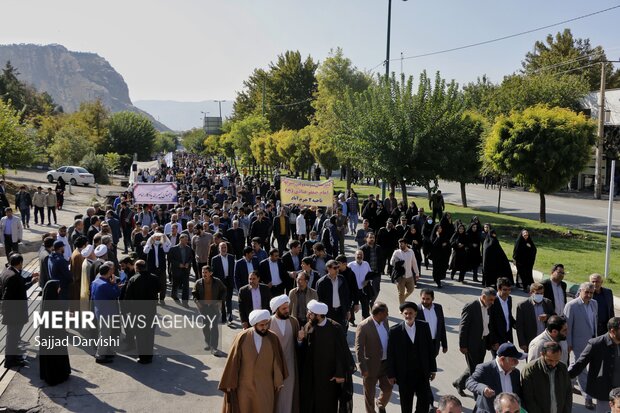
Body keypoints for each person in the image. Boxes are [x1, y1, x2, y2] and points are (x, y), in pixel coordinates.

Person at [219, 309, 288, 413]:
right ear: (254, 324)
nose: (264, 327)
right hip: (245, 386)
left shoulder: (273, 338)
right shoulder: (242, 337)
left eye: (266, 324)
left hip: (265, 387)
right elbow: (233, 362)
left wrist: (278, 381)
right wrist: (230, 382)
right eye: (261, 325)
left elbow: (277, 362)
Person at [300, 299, 355, 413]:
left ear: (319, 315)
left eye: (310, 313)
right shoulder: (309, 326)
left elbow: (342, 353)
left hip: (329, 377)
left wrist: (340, 373)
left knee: (328, 405)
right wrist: (300, 340)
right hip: (312, 376)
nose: (308, 315)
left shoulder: (335, 328)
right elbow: (303, 351)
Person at [387, 301, 437, 413]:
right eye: (406, 313)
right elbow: (391, 354)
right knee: (406, 403)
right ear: (402, 314)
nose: (408, 316)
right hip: (404, 375)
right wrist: (391, 374)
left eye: (411, 313)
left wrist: (433, 369)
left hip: (422, 372)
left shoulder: (424, 326)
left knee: (424, 401)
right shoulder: (395, 331)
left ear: (415, 313)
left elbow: (430, 349)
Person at [569, 317, 620, 413]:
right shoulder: (596, 344)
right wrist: (564, 377)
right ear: (613, 331)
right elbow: (580, 364)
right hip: (605, 392)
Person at [453, 287, 498, 396]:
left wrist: (492, 341)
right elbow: (463, 326)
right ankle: (477, 394)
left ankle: (459, 382)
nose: (492, 302)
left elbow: (488, 325)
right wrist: (463, 345)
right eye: (490, 300)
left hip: (482, 342)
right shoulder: (471, 306)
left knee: (476, 366)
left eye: (493, 300)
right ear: (483, 297)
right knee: (476, 370)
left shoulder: (488, 307)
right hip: (471, 344)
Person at [0, 254, 38, 368]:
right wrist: (32, 282)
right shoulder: (14, 277)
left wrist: (30, 276)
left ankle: (14, 356)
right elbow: (18, 288)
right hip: (14, 312)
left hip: (10, 311)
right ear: (20, 263)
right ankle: (10, 360)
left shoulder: (7, 271)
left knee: (14, 336)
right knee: (13, 336)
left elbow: (18, 283)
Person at [355, 301, 393, 413]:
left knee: (388, 388)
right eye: (386, 312)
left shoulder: (385, 321)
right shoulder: (364, 326)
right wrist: (363, 368)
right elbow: (359, 349)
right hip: (370, 366)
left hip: (385, 364)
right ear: (380, 314)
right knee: (369, 395)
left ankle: (380, 402)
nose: (388, 314)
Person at [565, 281, 598, 409]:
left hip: (591, 342)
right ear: (580, 291)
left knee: (575, 367)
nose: (589, 295)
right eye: (587, 292)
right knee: (582, 370)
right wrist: (569, 343)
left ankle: (566, 384)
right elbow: (568, 327)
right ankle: (588, 397)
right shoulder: (571, 306)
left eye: (591, 293)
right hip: (577, 343)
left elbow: (594, 323)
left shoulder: (595, 304)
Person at [465, 343, 523, 413]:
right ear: (502, 359)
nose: (517, 363)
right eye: (514, 360)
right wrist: (483, 389)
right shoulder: (485, 369)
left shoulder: (515, 373)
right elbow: (469, 382)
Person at [269, 295, 301, 413]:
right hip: (272, 367)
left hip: (290, 366)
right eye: (283, 309)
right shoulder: (268, 322)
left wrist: (300, 340)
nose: (287, 310)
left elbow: (299, 345)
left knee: (288, 396)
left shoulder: (293, 322)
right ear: (276, 309)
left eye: (287, 308)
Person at [123, 260, 160, 364]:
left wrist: (126, 311)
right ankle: (149, 355)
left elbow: (127, 296)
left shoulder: (133, 279)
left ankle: (143, 357)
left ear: (137, 268)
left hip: (138, 311)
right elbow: (159, 289)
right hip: (151, 310)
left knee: (140, 334)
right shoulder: (154, 277)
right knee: (150, 333)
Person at [521, 341, 572, 413]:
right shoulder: (530, 370)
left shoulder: (562, 368)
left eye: (557, 360)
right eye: (550, 360)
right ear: (542, 354)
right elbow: (528, 399)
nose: (554, 364)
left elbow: (568, 393)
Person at [38, 279, 71, 385]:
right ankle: (58, 375)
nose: (59, 289)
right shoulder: (55, 304)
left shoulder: (45, 304)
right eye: (58, 287)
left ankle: (49, 375)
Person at [192, 265, 226, 356]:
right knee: (205, 326)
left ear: (211, 273)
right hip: (204, 308)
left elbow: (224, 291)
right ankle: (208, 342)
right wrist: (197, 302)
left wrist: (220, 301)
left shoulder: (217, 282)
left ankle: (214, 347)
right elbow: (194, 294)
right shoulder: (198, 283)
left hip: (214, 307)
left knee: (214, 326)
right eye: (203, 272)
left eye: (206, 272)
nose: (204, 274)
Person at [90, 262, 121, 363]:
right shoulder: (105, 285)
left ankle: (105, 351)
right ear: (108, 272)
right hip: (107, 313)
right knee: (104, 335)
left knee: (104, 333)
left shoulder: (95, 282)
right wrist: (114, 285)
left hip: (100, 311)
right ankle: (100, 355)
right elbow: (115, 294)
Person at [516, 282, 555, 353]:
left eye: (542, 293)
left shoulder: (548, 303)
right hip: (531, 341)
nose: (540, 295)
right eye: (537, 293)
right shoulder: (522, 306)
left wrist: (547, 317)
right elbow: (519, 326)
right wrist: (522, 343)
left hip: (546, 340)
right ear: (531, 293)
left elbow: (554, 317)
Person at [316, 260, 351, 330]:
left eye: (338, 267)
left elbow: (346, 295)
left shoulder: (342, 279)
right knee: (329, 333)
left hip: (340, 311)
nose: (337, 270)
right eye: (335, 268)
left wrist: (348, 310)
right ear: (328, 269)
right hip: (328, 313)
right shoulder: (321, 282)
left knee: (342, 333)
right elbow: (319, 300)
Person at [416, 289, 448, 357]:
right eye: (423, 298)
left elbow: (441, 327)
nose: (425, 301)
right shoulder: (416, 310)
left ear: (433, 299)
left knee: (432, 362)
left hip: (435, 343)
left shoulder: (438, 308)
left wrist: (444, 344)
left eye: (428, 299)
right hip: (422, 343)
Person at [488, 278, 515, 355]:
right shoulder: (492, 302)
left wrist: (516, 324)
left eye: (509, 290)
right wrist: (494, 341)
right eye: (505, 290)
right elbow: (490, 324)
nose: (507, 292)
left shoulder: (509, 299)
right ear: (498, 289)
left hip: (507, 337)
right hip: (497, 340)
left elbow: (508, 316)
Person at [143, 232, 171, 304]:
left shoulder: (162, 245)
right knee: (153, 284)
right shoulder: (149, 245)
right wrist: (150, 243)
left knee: (163, 284)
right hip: (152, 269)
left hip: (161, 268)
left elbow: (166, 250)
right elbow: (145, 251)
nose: (158, 239)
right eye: (156, 238)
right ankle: (155, 299)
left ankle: (162, 299)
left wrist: (164, 241)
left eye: (159, 238)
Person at [211, 241, 236, 324]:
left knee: (229, 299)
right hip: (220, 282)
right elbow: (213, 273)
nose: (224, 249)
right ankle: (224, 316)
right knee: (222, 300)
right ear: (219, 249)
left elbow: (233, 270)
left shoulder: (232, 258)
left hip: (229, 281)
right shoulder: (215, 259)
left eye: (225, 247)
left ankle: (230, 316)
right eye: (222, 248)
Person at [168, 233, 194, 306]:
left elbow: (191, 258)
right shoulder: (173, 249)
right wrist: (178, 264)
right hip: (176, 270)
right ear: (180, 239)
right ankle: (174, 295)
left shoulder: (188, 248)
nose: (187, 241)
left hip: (185, 270)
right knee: (175, 284)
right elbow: (170, 259)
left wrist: (188, 263)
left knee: (186, 286)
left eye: (187, 240)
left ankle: (185, 302)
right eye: (185, 240)